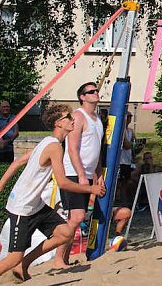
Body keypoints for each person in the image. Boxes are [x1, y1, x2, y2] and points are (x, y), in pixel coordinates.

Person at [0, 104, 105, 285]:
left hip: (35, 204)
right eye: (68, 117)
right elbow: (62, 182)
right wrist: (91, 189)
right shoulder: (54, 147)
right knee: (13, 257)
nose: (73, 120)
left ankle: (24, 265)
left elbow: (17, 163)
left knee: (65, 232)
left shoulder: (48, 141)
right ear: (58, 123)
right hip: (22, 207)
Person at [54, 82, 105, 269]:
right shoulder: (78, 116)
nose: (96, 93)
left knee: (77, 218)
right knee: (76, 217)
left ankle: (64, 258)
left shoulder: (97, 119)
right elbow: (72, 149)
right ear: (82, 97)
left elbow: (96, 150)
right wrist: (81, 174)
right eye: (91, 91)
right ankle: (58, 258)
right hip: (73, 173)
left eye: (96, 90)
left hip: (86, 173)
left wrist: (98, 174)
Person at [119, 111, 135, 184]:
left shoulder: (131, 130)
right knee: (121, 182)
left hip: (128, 160)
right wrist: (133, 144)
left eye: (130, 117)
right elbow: (126, 145)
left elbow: (135, 142)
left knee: (127, 181)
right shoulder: (121, 130)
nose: (129, 119)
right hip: (121, 161)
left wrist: (132, 144)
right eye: (128, 117)